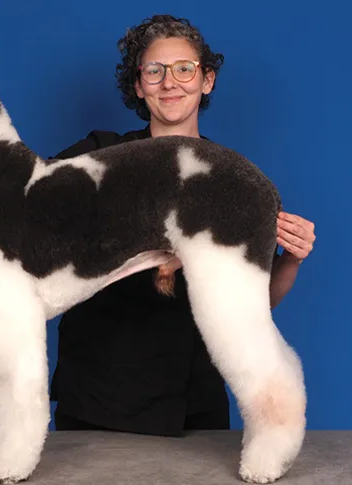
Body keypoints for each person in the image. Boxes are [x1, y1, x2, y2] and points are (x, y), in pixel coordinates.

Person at [48, 14, 316, 437]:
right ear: (138, 85)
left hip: (194, 408)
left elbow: (253, 306)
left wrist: (291, 260)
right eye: (154, 71)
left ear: (206, 80)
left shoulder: (231, 180)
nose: (169, 82)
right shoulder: (97, 155)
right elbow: (32, 215)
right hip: (96, 400)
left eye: (184, 69)